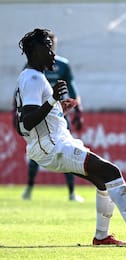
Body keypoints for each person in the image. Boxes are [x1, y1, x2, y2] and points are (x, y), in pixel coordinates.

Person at [14, 28, 126, 246]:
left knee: (103, 180)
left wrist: (57, 109)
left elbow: (27, 121)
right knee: (111, 172)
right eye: (48, 48)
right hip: (52, 146)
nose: (53, 53)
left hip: (54, 142)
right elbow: (27, 121)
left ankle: (102, 237)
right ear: (36, 50)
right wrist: (52, 100)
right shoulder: (34, 78)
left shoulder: (30, 76)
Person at [21, 32, 84, 202]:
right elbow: (22, 92)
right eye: (48, 45)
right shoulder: (32, 69)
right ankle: (29, 188)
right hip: (40, 114)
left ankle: (71, 192)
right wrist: (16, 110)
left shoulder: (62, 65)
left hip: (58, 114)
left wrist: (77, 111)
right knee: (38, 150)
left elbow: (72, 88)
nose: (52, 49)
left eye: (52, 44)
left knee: (66, 149)